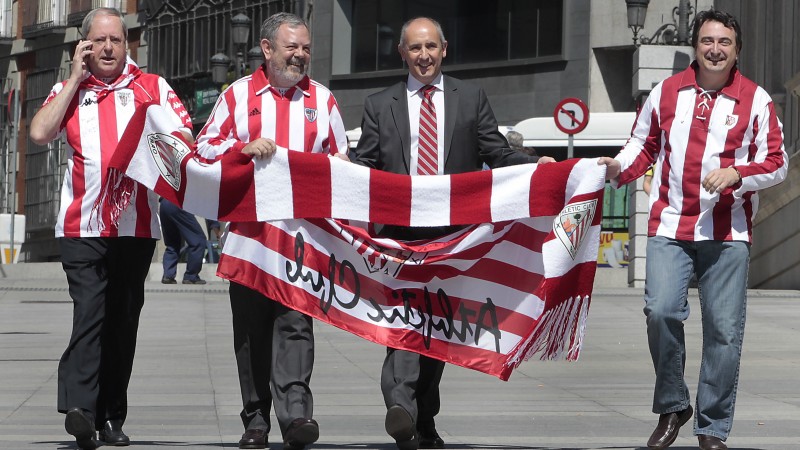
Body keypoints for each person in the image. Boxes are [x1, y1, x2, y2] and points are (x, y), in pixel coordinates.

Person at [349, 16, 553, 450]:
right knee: (404, 318)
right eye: (415, 48)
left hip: (455, 239)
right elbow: (364, 166)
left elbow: (494, 152)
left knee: (438, 325)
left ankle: (423, 418)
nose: (424, 56)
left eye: (431, 47)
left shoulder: (471, 97)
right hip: (399, 238)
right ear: (402, 53)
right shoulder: (378, 103)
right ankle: (400, 405)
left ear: (444, 49)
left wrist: (538, 168)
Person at [598, 10, 787, 450]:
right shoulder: (665, 92)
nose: (715, 49)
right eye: (707, 41)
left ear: (737, 50)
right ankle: (673, 404)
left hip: (728, 233)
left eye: (724, 42)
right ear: (696, 46)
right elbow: (642, 146)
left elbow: (777, 162)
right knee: (661, 313)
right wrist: (613, 167)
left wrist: (737, 174)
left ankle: (712, 429)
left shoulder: (756, 100)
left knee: (723, 331)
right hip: (669, 225)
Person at [28, 7, 193, 450]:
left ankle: (111, 417)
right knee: (90, 313)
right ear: (84, 46)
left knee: (122, 322)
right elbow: (40, 132)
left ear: (127, 45)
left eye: (115, 40)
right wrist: (74, 80)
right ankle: (81, 409)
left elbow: (184, 139)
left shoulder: (152, 87)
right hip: (82, 226)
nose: (107, 48)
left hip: (135, 227)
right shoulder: (69, 89)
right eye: (97, 41)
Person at [195, 12, 348, 450]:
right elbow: (204, 146)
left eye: (305, 48)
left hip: (304, 242)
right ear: (266, 48)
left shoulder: (324, 99)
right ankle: (256, 419)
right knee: (252, 331)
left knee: (297, 324)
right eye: (291, 47)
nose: (300, 55)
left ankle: (297, 416)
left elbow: (343, 165)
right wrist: (240, 150)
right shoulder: (237, 95)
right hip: (249, 240)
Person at [159, 198, 208, 284]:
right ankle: (191, 276)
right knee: (198, 240)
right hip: (178, 202)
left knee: (172, 244)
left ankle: (168, 275)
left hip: (164, 203)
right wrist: (215, 225)